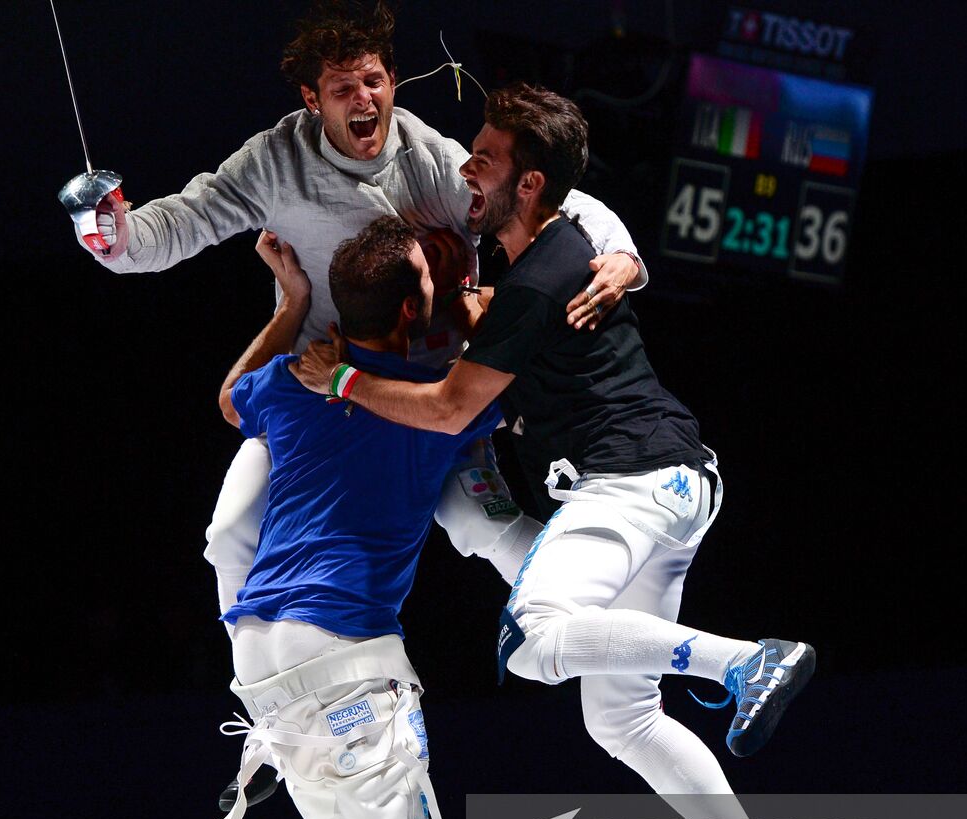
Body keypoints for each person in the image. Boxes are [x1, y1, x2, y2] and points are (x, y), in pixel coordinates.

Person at [295, 83, 824, 819]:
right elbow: (553, 242)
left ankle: (743, 662)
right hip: (671, 484)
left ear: (530, 185)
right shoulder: (549, 239)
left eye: (487, 161)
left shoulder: (540, 277)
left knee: (538, 632)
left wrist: (340, 379)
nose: (468, 168)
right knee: (619, 716)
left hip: (628, 486)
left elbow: (457, 399)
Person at [68, 0, 647, 622]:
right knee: (230, 532)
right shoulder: (275, 161)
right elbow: (185, 219)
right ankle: (262, 693)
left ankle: (621, 626)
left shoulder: (431, 158)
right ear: (313, 100)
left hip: (430, 394)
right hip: (325, 389)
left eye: (374, 81)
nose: (363, 99)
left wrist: (622, 254)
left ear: (392, 83)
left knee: (482, 525)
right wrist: (118, 238)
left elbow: (544, 186)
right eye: (343, 88)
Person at [208, 216, 501, 819]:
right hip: (340, 649)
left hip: (259, 651)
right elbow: (503, 387)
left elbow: (233, 397)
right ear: (413, 310)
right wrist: (477, 319)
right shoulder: (439, 402)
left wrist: (287, 303)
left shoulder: (290, 382)